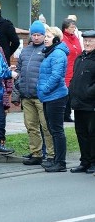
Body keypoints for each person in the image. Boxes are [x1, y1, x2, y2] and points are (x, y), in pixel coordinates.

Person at [12, 21, 54, 166]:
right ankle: (36, 153)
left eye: (39, 35)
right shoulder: (25, 50)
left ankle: (51, 154)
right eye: (34, 35)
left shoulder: (47, 50)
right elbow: (18, 71)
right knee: (31, 126)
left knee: (46, 126)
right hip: (26, 95)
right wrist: (17, 91)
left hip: (41, 96)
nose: (36, 37)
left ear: (44, 35)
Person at [37, 26, 70, 172]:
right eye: (45, 36)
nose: (45, 39)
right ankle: (56, 159)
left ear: (56, 39)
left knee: (57, 130)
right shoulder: (50, 53)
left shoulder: (58, 54)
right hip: (48, 97)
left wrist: (44, 89)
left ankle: (61, 163)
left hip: (56, 97)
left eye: (48, 37)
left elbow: (56, 76)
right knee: (52, 129)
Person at [68, 30, 95, 173]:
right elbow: (75, 78)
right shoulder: (80, 58)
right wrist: (72, 89)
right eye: (85, 41)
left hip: (91, 104)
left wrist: (87, 92)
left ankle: (93, 162)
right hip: (78, 103)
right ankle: (84, 161)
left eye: (90, 41)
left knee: (92, 134)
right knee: (81, 133)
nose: (87, 43)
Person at [61, 18, 82, 123]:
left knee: (72, 92)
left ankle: (68, 114)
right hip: (66, 69)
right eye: (71, 27)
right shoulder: (62, 38)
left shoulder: (75, 38)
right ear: (65, 29)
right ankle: (65, 114)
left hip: (75, 68)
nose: (74, 29)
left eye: (74, 27)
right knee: (66, 93)